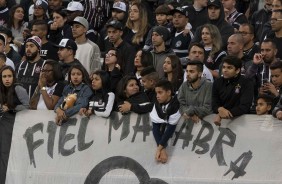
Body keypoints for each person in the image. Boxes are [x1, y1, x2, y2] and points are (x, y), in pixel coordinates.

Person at [0, 65, 29, 183]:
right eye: (4, 76)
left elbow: (28, 106)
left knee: (6, 155)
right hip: (2, 125)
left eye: (9, 76)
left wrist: (11, 108)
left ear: (14, 77)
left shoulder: (18, 89)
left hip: (13, 127)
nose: (7, 79)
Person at [212, 55, 254, 126]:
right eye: (224, 67)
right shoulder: (217, 82)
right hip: (222, 123)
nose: (225, 70)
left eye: (229, 68)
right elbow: (214, 103)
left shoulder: (246, 83)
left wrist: (221, 114)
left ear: (237, 70)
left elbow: (244, 107)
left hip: (242, 122)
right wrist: (219, 109)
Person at [150, 80, 181, 163]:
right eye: (156, 93)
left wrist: (159, 149)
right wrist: (162, 150)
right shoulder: (156, 104)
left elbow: (170, 129)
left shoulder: (177, 104)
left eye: (160, 92)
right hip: (163, 144)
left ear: (168, 92)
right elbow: (155, 128)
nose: (157, 96)